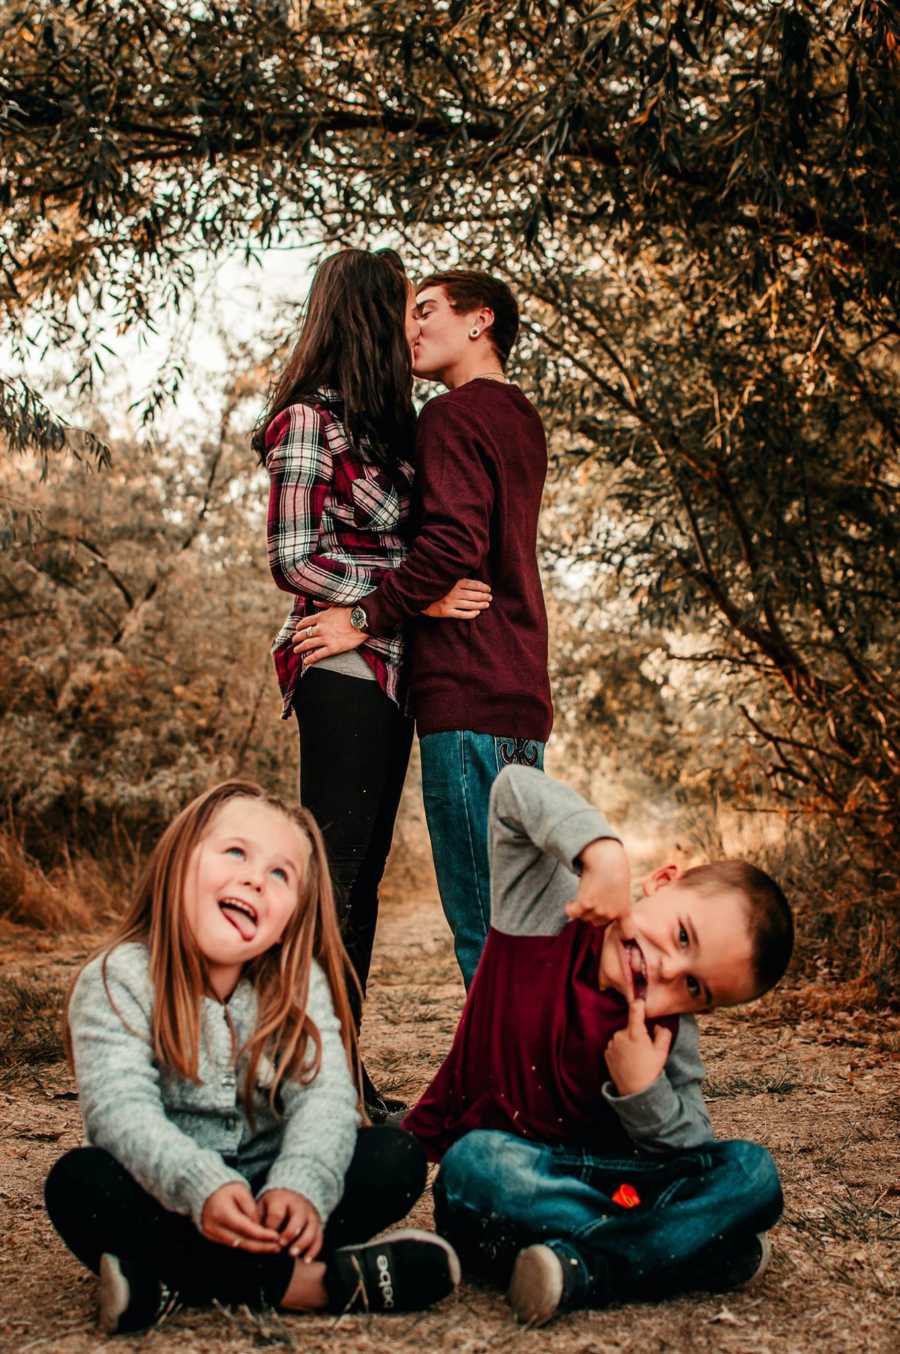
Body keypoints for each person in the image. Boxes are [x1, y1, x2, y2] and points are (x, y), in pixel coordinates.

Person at [44, 781, 459, 1336]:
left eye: (281, 874)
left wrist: (300, 1185)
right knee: (79, 1182)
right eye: (236, 852)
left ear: (295, 913)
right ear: (178, 861)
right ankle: (313, 1285)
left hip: (274, 1196)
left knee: (395, 1157)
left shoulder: (296, 983)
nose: (254, 878)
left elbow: (326, 1098)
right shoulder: (117, 978)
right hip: (168, 1191)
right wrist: (202, 1185)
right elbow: (120, 1109)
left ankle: (166, 1281)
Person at [401, 765, 794, 1326]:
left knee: (754, 1172)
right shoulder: (548, 910)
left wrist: (644, 1090)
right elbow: (512, 788)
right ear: (661, 882)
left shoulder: (665, 1034)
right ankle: (682, 1253)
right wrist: (601, 851)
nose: (665, 968)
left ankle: (589, 1266)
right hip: (516, 1186)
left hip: (614, 1185)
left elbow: (692, 1156)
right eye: (682, 936)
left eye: (693, 987)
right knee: (474, 1163)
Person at [255, 249, 491, 1118]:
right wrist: (395, 603)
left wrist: (407, 605)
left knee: (358, 885)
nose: (412, 324)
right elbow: (293, 558)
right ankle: (301, 1078)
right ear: (364, 314)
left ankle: (334, 1072)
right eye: (400, 308)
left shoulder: (384, 429)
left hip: (389, 670)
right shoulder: (308, 422)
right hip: (343, 665)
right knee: (334, 877)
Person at [294, 269, 552, 989]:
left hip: (467, 689)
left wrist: (361, 617)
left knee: (483, 925)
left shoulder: (451, 415)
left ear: (481, 321)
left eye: (428, 311)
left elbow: (449, 550)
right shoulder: (519, 415)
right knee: (518, 915)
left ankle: (514, 1100)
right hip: (518, 693)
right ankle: (529, 1086)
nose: (411, 328)